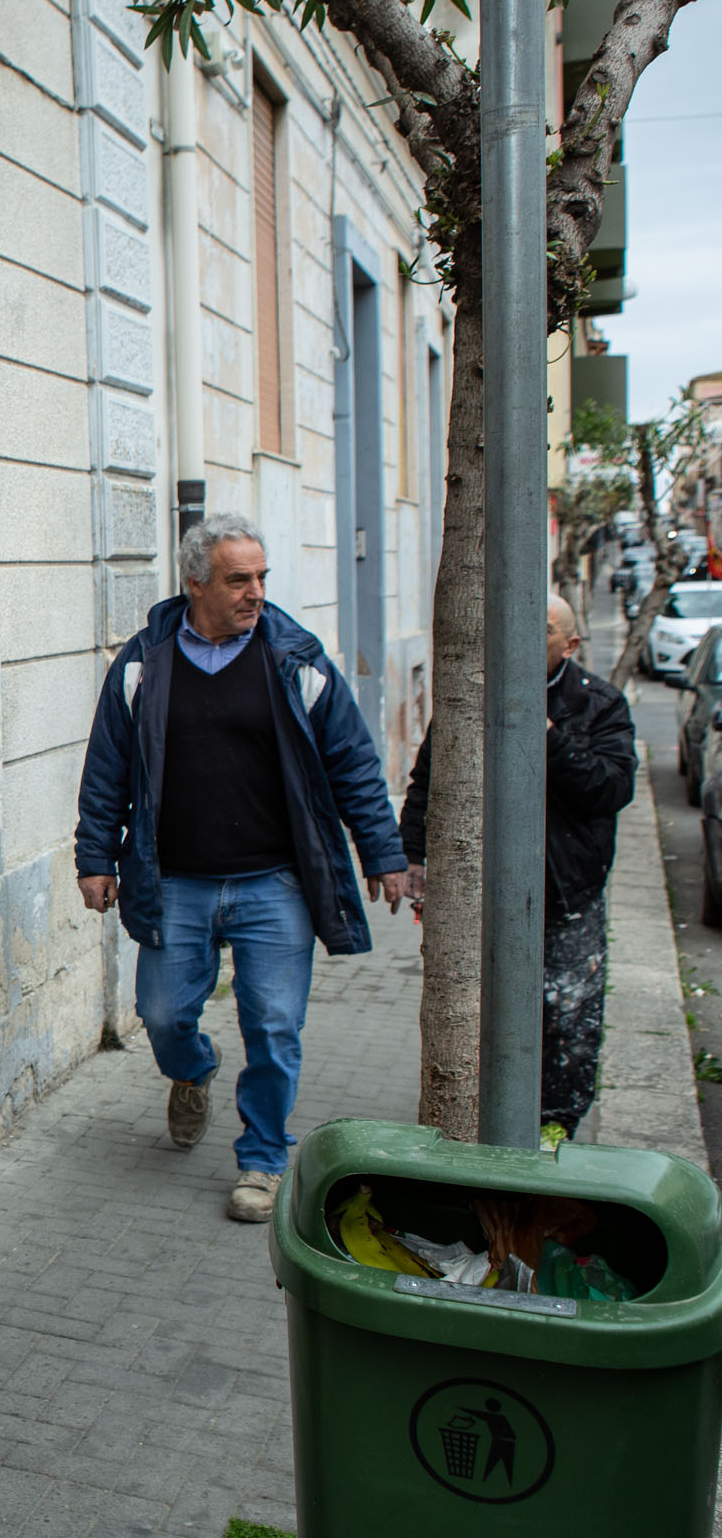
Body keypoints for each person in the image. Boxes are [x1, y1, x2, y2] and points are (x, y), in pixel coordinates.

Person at [75, 514, 414, 1223]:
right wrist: (95, 856)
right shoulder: (144, 664)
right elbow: (107, 766)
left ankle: (262, 1157)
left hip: (274, 884)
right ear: (195, 582)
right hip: (175, 881)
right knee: (163, 1015)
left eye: (262, 578)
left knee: (275, 1025)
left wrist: (382, 852)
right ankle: (192, 1070)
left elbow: (352, 762)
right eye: (239, 580)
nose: (256, 592)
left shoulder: (296, 659)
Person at [400, 593, 636, 1140]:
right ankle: (481, 1120)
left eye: (543, 630)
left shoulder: (599, 704)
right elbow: (429, 779)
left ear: (570, 644)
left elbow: (610, 788)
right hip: (482, 892)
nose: (523, 640)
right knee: (483, 1012)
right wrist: (412, 856)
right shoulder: (472, 694)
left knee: (568, 1019)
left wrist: (548, 735)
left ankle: (555, 1130)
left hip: (567, 895)